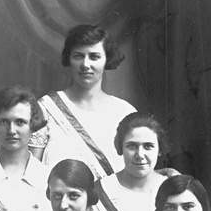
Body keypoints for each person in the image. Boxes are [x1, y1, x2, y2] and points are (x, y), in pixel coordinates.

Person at [33, 25, 136, 177]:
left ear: (107, 59)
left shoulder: (125, 113)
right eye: (78, 56)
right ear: (69, 58)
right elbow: (33, 173)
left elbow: (138, 175)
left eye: (94, 57)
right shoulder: (45, 108)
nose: (85, 65)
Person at [93, 112, 172, 211]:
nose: (140, 155)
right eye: (132, 146)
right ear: (121, 148)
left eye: (148, 146)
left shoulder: (173, 189)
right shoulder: (100, 191)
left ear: (159, 149)